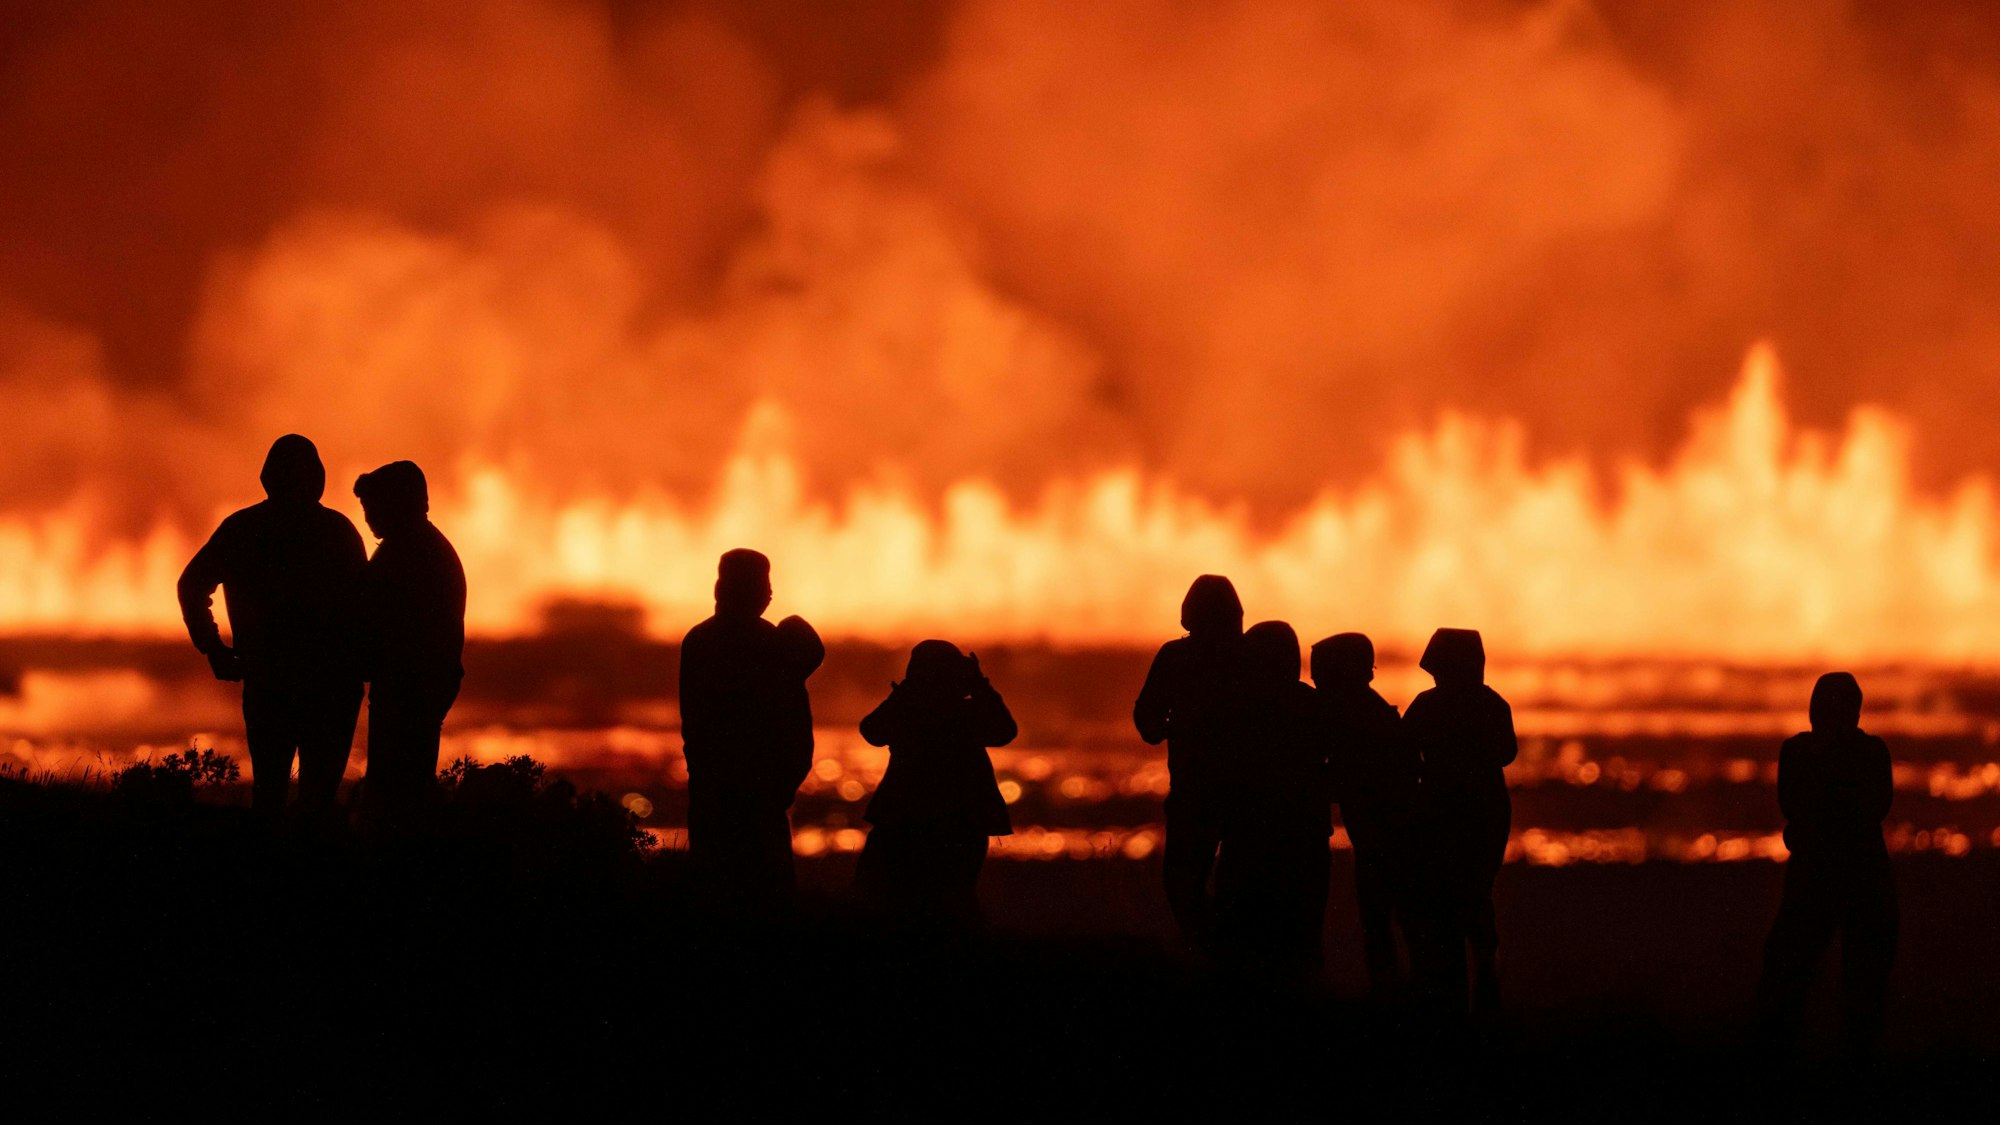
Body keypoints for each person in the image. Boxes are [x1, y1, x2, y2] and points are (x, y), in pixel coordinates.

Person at [177, 435, 365, 824]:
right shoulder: (338, 531)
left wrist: (214, 649)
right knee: (318, 802)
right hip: (329, 687)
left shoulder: (243, 529)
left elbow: (191, 585)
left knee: (270, 798)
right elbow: (366, 610)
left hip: (272, 683)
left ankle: (267, 875)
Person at [1755, 671, 1897, 1053]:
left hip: (1822, 871)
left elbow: (1793, 805)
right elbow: (1877, 807)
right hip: (1857, 870)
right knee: (1854, 977)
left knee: (1791, 967)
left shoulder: (1799, 752)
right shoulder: (1870, 753)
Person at [678, 549, 824, 897]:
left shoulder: (699, 639)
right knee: (765, 894)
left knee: (715, 892)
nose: (770, 593)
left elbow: (694, 725)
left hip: (711, 789)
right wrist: (783, 783)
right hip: (758, 794)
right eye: (763, 585)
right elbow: (791, 724)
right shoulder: (770, 644)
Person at [855, 641, 1017, 921]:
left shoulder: (911, 709)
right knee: (951, 902)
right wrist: (979, 685)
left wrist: (906, 690)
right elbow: (1003, 731)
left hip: (906, 819)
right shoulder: (964, 712)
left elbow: (872, 730)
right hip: (958, 821)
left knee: (893, 901)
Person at [1401, 627, 1515, 1017]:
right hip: (1482, 811)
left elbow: (1403, 753)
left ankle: (1460, 996)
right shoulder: (1492, 704)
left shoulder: (1428, 706)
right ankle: (1484, 990)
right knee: (1474, 901)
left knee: (1449, 905)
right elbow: (1507, 752)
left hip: (1448, 813)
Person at [1133, 575, 1245, 953]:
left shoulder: (1175, 656)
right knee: (1237, 887)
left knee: (1183, 884)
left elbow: (1147, 722)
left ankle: (1206, 955)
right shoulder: (1250, 658)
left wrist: (1176, 726)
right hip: (1245, 795)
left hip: (1193, 792)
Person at [1212, 621, 1329, 975]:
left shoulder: (1235, 708)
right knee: (1301, 938)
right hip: (1302, 837)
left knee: (1243, 936)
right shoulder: (1312, 704)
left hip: (1249, 835)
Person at [353, 461, 466, 821]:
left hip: (408, 688)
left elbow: (377, 619)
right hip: (421, 685)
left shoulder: (407, 555)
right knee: (406, 788)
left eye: (372, 508)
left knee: (392, 795)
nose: (369, 519)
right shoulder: (424, 548)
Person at [1312, 632, 1415, 998]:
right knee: (1389, 923)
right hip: (1380, 836)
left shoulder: (1357, 718)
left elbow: (1348, 778)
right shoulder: (1361, 712)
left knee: (1385, 922)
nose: (1316, 683)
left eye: (1321, 674)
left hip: (1385, 838)